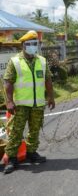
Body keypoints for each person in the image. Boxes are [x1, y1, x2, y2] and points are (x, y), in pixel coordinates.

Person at [3, 30, 55, 174]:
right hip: (20, 104)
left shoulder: (42, 61)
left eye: (35, 43)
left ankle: (31, 153)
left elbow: (48, 80)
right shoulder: (15, 61)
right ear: (23, 45)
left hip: (37, 103)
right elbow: (8, 82)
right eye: (30, 44)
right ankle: (11, 158)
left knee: (34, 130)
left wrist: (51, 97)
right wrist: (9, 101)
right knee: (16, 132)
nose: (33, 46)